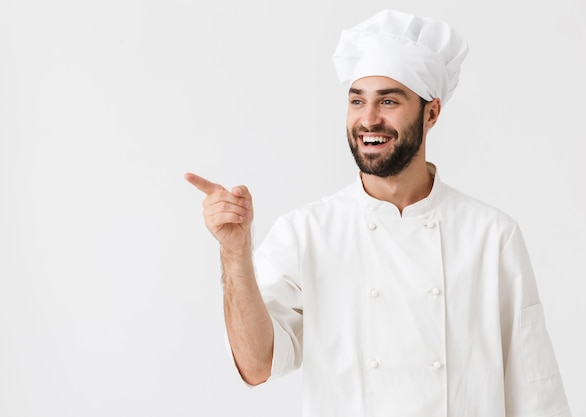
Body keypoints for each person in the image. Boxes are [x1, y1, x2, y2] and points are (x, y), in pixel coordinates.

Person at [185, 9, 571, 417]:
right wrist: (234, 252)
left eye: (388, 100)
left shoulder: (491, 236)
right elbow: (256, 364)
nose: (368, 119)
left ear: (432, 113)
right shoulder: (307, 233)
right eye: (357, 101)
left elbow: (535, 391)